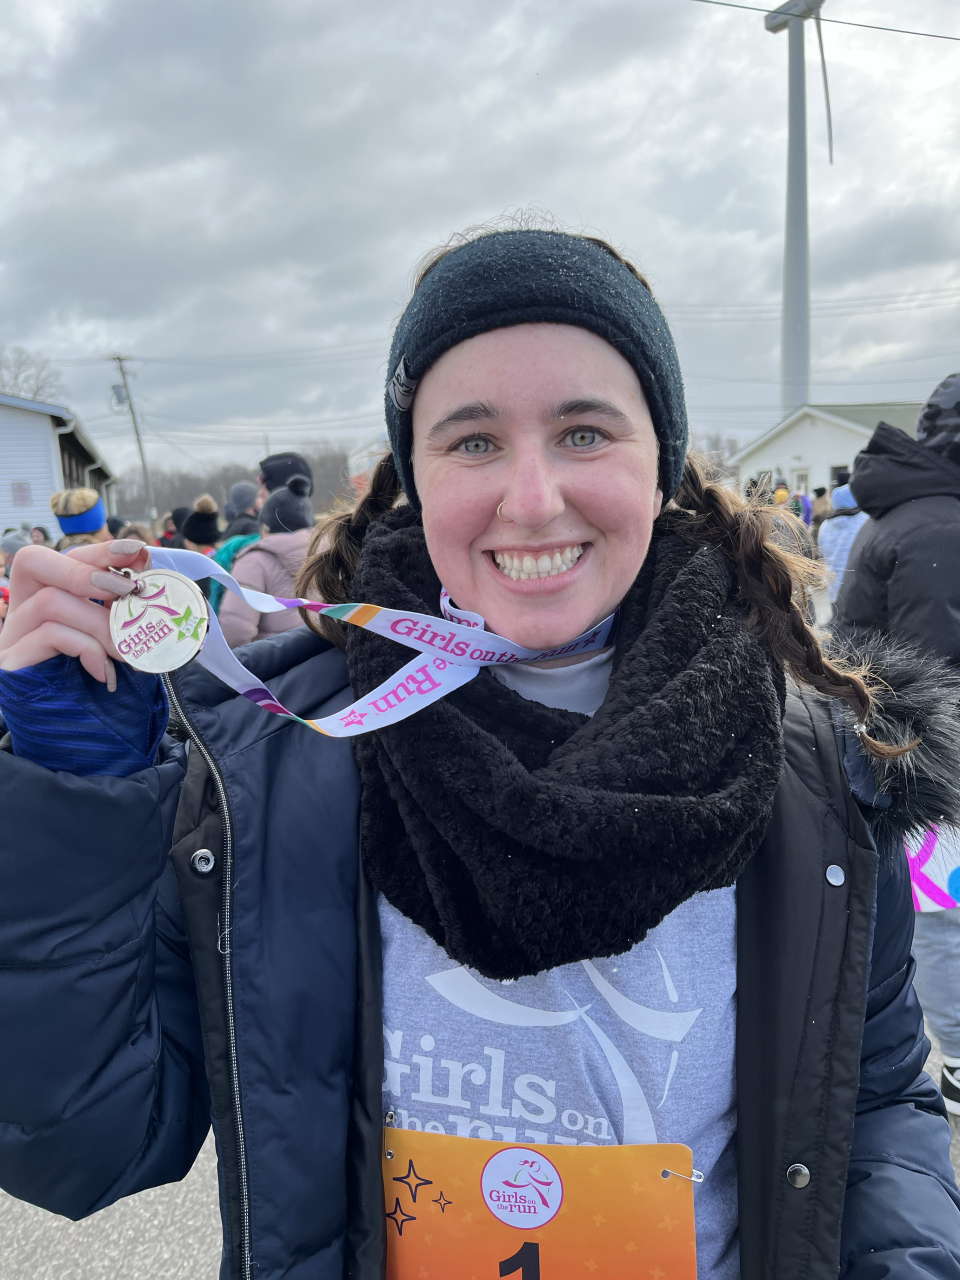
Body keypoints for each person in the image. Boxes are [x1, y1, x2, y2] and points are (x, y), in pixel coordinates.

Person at [0, 227, 958, 1280]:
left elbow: (871, 1102)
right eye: (472, 441)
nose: (533, 496)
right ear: (411, 472)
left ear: (663, 462)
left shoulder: (815, 764)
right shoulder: (270, 765)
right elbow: (82, 1148)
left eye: (587, 432)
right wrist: (73, 796)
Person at [836, 374, 960, 1113]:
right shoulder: (938, 526)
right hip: (920, 751)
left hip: (902, 739)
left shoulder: (922, 513)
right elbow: (936, 662)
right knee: (942, 907)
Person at [218, 476, 313, 646]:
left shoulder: (254, 561)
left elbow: (235, 630)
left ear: (266, 527)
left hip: (274, 663)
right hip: (323, 656)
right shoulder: (328, 553)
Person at [817, 483, 868, 603]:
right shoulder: (863, 520)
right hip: (859, 589)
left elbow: (822, 550)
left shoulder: (825, 525)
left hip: (834, 588)